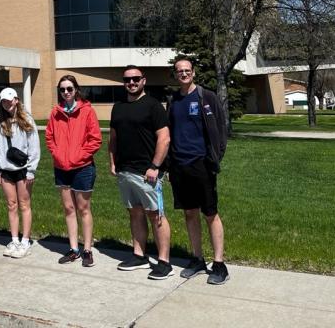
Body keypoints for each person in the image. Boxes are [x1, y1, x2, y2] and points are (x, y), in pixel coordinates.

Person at [168, 58, 230, 285]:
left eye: (187, 70)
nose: (184, 74)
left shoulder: (207, 97)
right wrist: (169, 164)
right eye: (179, 71)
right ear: (175, 75)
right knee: (189, 213)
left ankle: (219, 264)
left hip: (202, 164)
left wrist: (214, 158)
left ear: (193, 73)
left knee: (210, 213)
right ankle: (197, 259)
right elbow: (169, 132)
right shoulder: (173, 100)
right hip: (179, 166)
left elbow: (221, 129)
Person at [109, 65, 173, 279]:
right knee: (134, 212)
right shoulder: (118, 107)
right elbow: (113, 138)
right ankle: (139, 255)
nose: (132, 83)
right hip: (125, 170)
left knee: (156, 214)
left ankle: (164, 262)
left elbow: (164, 138)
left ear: (143, 80)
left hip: (147, 172)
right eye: (127, 79)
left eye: (136, 79)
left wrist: (155, 166)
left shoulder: (153, 106)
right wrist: (112, 162)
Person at [46, 74, 101, 266]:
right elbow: (49, 137)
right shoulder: (56, 112)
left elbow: (95, 139)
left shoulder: (87, 111)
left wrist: (78, 156)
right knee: (69, 209)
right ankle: (73, 249)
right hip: (61, 168)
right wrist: (58, 154)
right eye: (62, 89)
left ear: (76, 89)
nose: (66, 92)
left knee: (83, 209)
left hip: (83, 168)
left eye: (69, 88)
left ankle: (87, 250)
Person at [0, 87, 40, 259]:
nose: (7, 104)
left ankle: (25, 240)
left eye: (9, 100)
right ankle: (14, 239)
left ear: (16, 100)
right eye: (3, 101)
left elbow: (34, 146)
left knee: (24, 204)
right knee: (11, 204)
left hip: (23, 169)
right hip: (6, 169)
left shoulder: (27, 120)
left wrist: (31, 170)